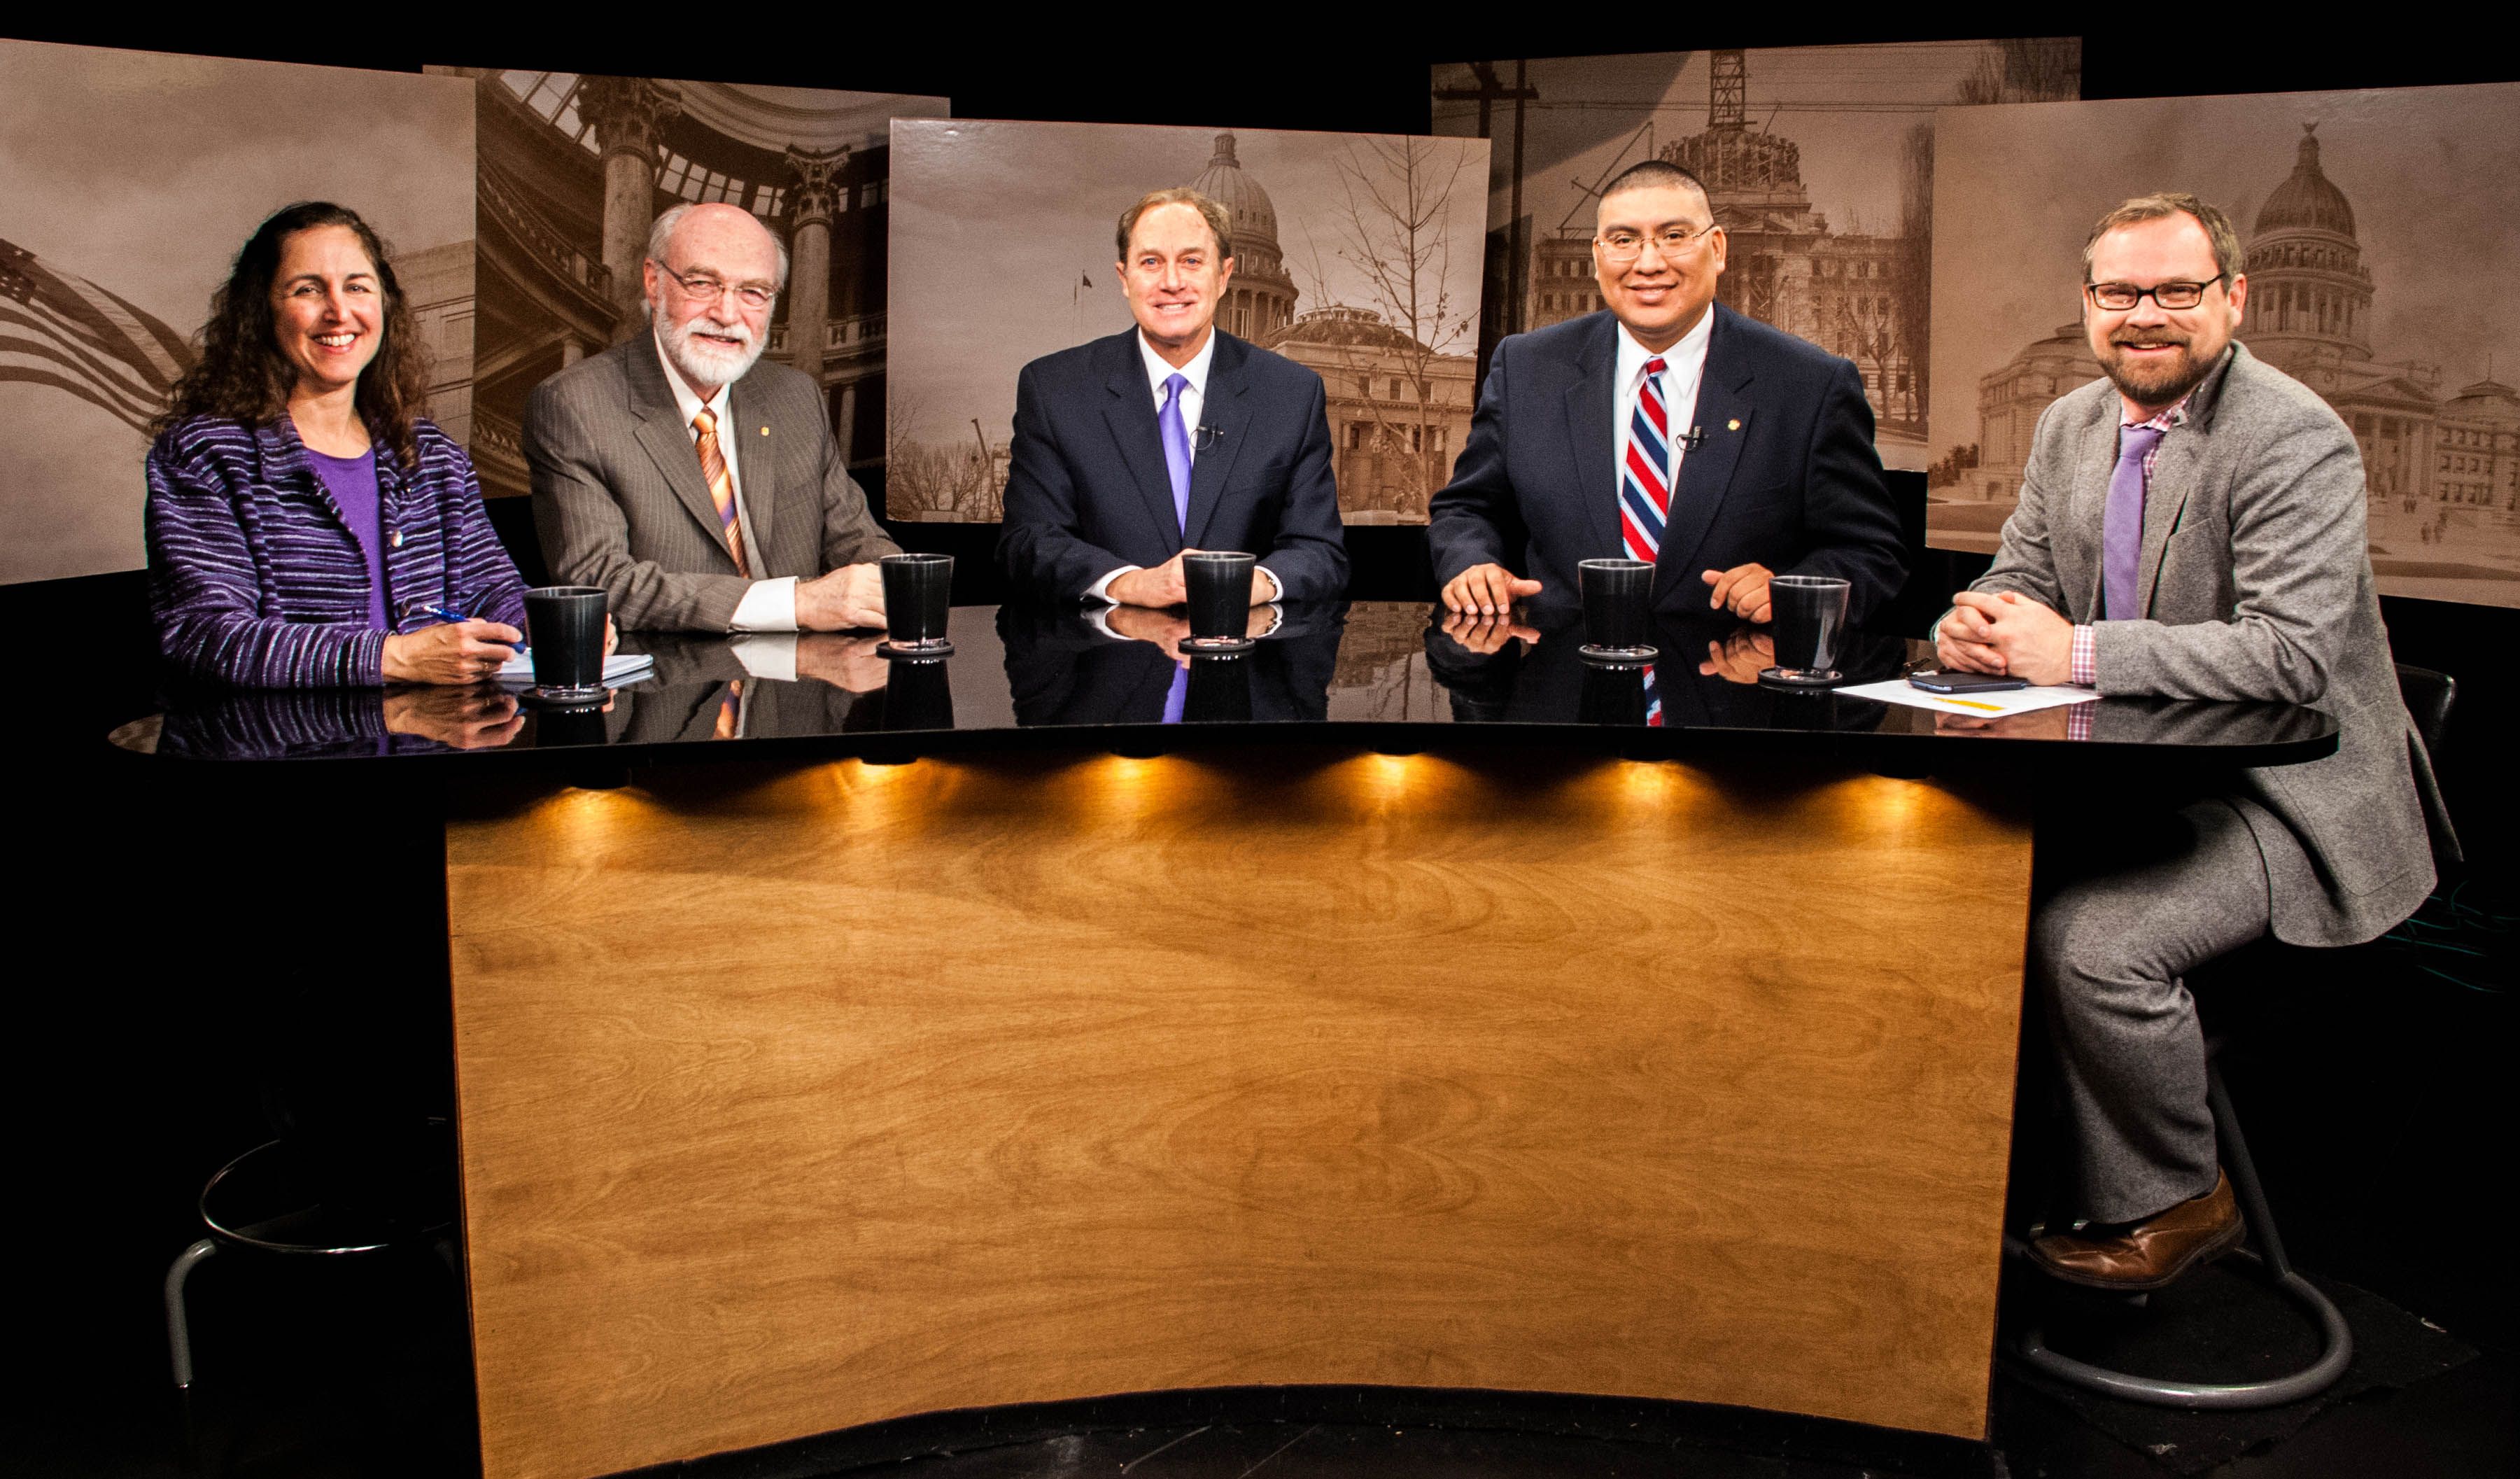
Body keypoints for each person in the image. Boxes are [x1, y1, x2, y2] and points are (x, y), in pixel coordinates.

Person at [1936, 193, 2449, 1289]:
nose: (2146, 315)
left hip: (2292, 793)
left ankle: (2179, 1197)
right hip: (2140, 776)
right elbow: (2021, 572)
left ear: (2234, 298)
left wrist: (2073, 652)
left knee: (2093, 942)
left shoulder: (2296, 435)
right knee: (1955, 886)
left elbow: (2287, 659)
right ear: (2089, 302)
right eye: (2121, 292)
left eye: (2176, 290)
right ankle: (1979, 1180)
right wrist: (1973, 619)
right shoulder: (2069, 425)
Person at [1429, 160, 1904, 627]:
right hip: (1562, 669)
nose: (1649, 263)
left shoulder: (1810, 384)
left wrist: (1789, 591)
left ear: (1717, 249)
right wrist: (1471, 565)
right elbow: (1467, 509)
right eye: (1623, 240)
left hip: (1733, 670)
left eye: (1674, 236)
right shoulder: (1527, 368)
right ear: (1598, 257)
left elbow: (1869, 551)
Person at [147, 202, 531, 687]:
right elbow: (206, 636)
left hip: (437, 734)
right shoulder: (204, 455)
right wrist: (393, 656)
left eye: (357, 287)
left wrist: (541, 622)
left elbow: (491, 591)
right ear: (261, 311)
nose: (339, 312)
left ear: (384, 305)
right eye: (308, 289)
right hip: (287, 737)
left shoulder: (430, 454)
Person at [526, 202, 899, 633]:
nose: (727, 314)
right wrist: (795, 603)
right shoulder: (574, 406)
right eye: (702, 284)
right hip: (673, 670)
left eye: (753, 292)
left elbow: (856, 540)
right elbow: (601, 584)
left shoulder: (796, 397)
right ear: (653, 282)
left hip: (806, 669)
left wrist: (898, 585)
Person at [997, 188, 1346, 608]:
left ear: (1224, 275)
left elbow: (1319, 552)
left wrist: (1249, 583)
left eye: (1192, 261)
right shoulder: (1054, 389)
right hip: (1100, 645)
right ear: (1124, 278)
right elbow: (1029, 541)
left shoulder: (1291, 394)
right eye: (1151, 262)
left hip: (1241, 644)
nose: (1172, 282)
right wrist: (1129, 584)